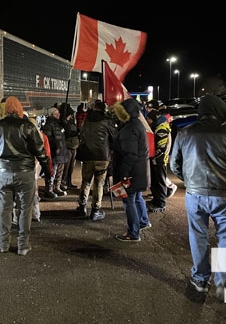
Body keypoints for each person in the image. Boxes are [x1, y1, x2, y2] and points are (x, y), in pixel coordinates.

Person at [170, 94, 226, 300]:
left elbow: (174, 165)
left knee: (198, 235)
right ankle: (224, 284)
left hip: (195, 194)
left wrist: (189, 181)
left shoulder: (184, 133)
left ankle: (200, 279)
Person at [0, 96, 52, 256]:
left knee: (4, 208)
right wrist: (47, 171)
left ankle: (3, 244)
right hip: (25, 172)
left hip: (3, 172)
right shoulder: (27, 126)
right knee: (25, 209)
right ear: (19, 109)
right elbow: (40, 151)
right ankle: (23, 245)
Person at [112, 98, 151, 242]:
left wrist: (123, 173)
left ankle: (133, 233)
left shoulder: (130, 128)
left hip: (131, 172)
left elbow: (130, 154)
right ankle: (143, 221)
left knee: (129, 201)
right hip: (139, 170)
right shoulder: (137, 124)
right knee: (137, 198)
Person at [75, 100, 117, 221]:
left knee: (86, 181)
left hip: (87, 155)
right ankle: (95, 210)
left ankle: (82, 206)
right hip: (102, 157)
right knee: (99, 183)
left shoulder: (86, 121)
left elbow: (80, 135)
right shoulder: (108, 121)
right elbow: (114, 138)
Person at [145, 109, 175, 212]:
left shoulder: (161, 129)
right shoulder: (157, 127)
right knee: (155, 182)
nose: (147, 121)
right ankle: (156, 200)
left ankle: (161, 203)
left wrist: (152, 155)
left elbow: (161, 147)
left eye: (148, 119)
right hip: (155, 160)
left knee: (160, 182)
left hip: (160, 160)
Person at [41, 106, 68, 198]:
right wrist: (55, 147)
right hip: (55, 152)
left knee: (59, 171)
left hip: (61, 151)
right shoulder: (49, 125)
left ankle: (57, 187)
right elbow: (47, 139)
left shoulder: (59, 124)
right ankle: (49, 189)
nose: (58, 115)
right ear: (52, 115)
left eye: (58, 113)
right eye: (56, 114)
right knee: (52, 171)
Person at [59, 103, 80, 191]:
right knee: (66, 167)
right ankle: (63, 183)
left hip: (74, 146)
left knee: (71, 167)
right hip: (67, 146)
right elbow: (64, 133)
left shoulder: (71, 121)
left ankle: (69, 182)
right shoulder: (62, 122)